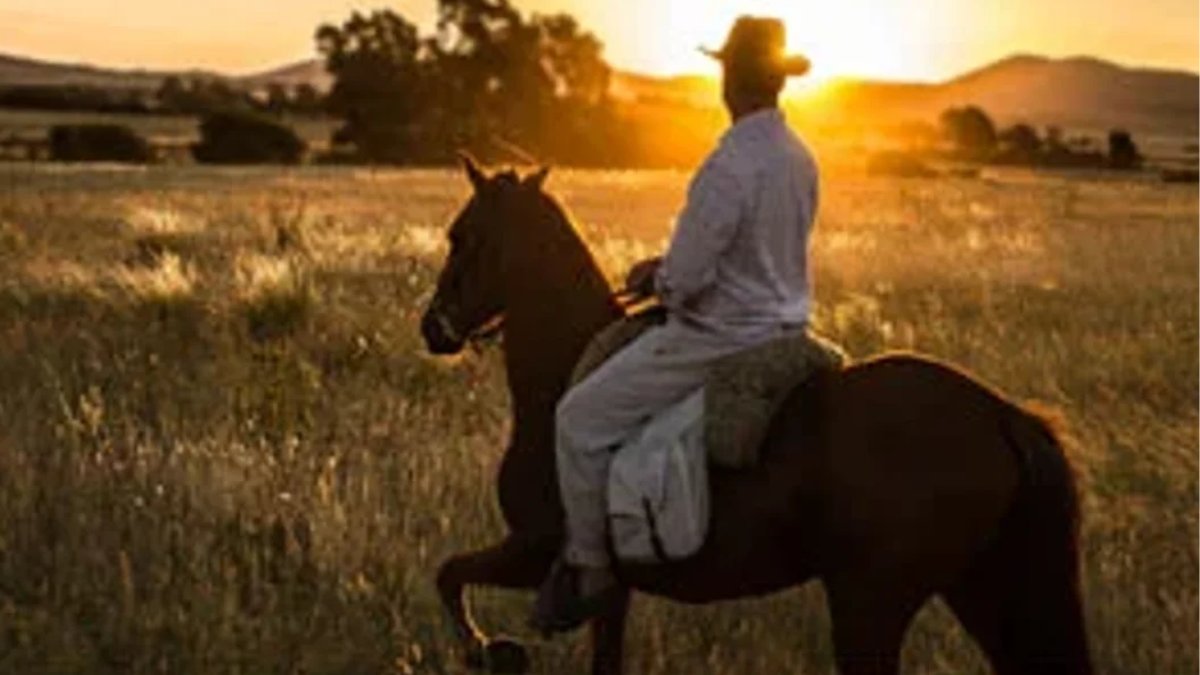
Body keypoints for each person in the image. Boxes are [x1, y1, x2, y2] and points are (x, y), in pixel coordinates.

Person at [530, 16, 820, 634]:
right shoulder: (800, 156)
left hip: (718, 337)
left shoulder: (728, 165)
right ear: (777, 83)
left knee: (577, 419)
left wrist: (655, 278)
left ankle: (589, 568)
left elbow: (688, 281)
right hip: (788, 330)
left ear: (729, 79)